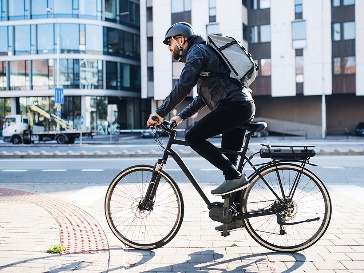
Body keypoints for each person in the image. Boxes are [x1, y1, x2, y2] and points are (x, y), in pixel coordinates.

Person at [147, 23, 255, 229]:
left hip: (235, 106)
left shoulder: (196, 52)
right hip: (239, 105)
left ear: (181, 39)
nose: (169, 48)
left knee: (193, 137)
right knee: (230, 166)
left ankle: (234, 178)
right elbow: (201, 98)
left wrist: (159, 113)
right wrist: (179, 117)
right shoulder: (203, 54)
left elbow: (183, 86)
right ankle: (236, 217)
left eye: (169, 43)